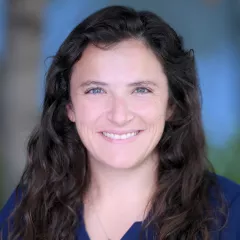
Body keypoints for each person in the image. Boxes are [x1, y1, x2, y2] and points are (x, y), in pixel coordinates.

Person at [0, 5, 240, 240]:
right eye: (95, 90)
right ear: (69, 107)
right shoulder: (27, 210)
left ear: (171, 105)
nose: (119, 115)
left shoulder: (230, 212)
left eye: (141, 89)